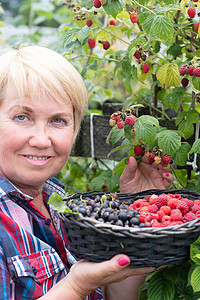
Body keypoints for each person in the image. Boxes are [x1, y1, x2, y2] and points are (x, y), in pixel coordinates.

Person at [0, 45, 174, 300]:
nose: (41, 140)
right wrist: (76, 286)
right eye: (22, 117)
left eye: (58, 120)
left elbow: (113, 295)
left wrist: (139, 208)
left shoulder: (60, 204)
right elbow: (81, 286)